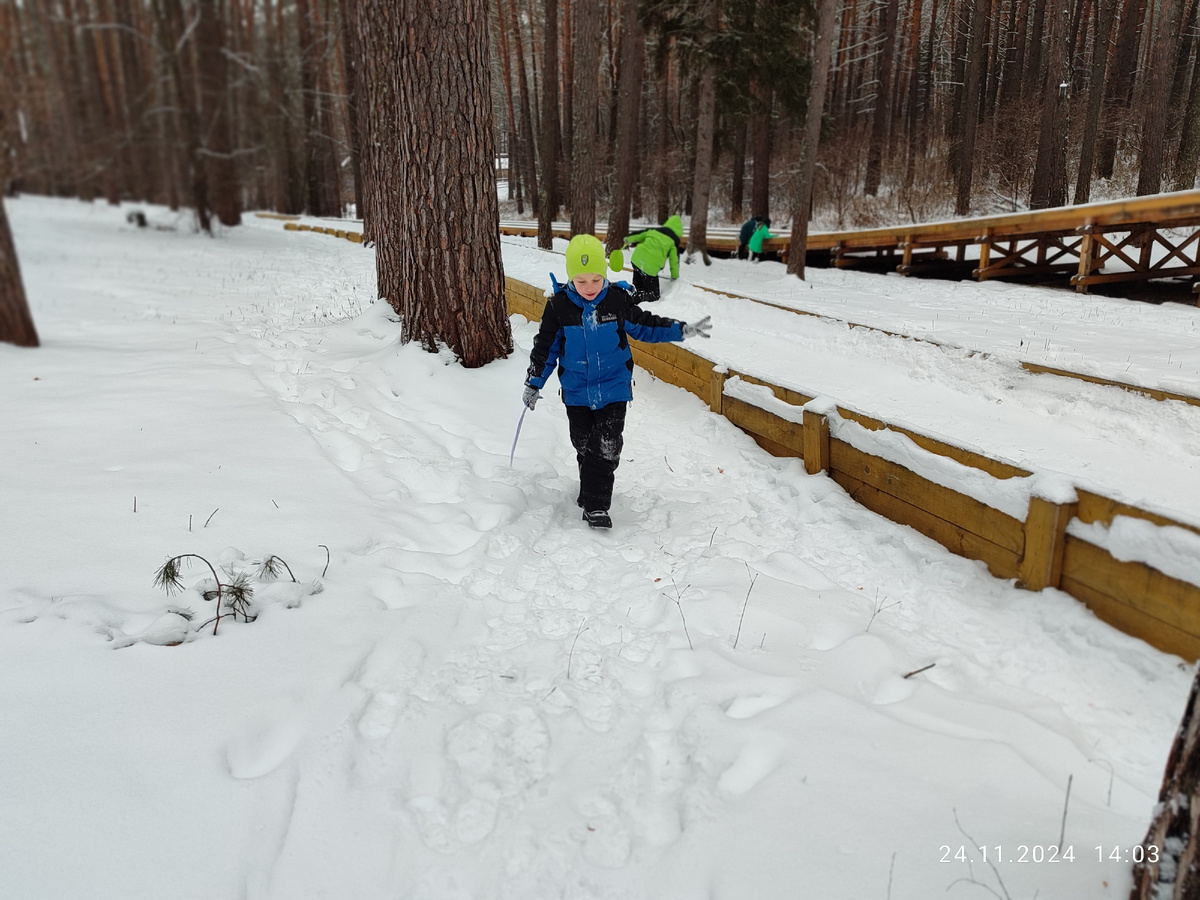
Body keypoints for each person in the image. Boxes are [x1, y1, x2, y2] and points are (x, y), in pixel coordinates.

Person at [522, 234, 712, 529]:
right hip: (577, 393)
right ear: (571, 277)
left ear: (605, 275)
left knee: (607, 446)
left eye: (596, 280)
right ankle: (590, 486)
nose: (589, 288)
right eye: (581, 281)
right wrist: (534, 382)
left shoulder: (616, 301)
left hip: (614, 388)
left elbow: (646, 326)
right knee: (584, 444)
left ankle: (597, 505)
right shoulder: (559, 307)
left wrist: (680, 330)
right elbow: (546, 348)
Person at [622, 214, 683, 303]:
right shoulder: (672, 241)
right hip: (650, 268)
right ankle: (636, 298)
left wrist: (628, 239)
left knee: (638, 284)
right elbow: (674, 261)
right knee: (654, 295)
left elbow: (639, 235)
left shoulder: (654, 231)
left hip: (636, 259)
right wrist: (675, 276)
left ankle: (635, 293)